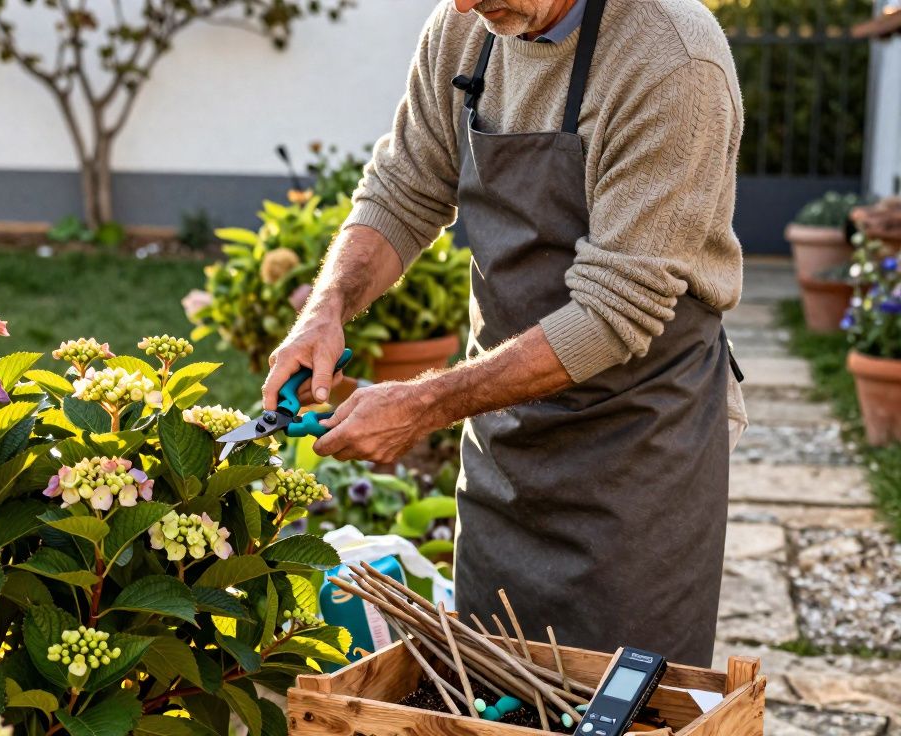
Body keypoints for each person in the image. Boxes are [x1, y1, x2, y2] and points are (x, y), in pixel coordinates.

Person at [261, 0, 747, 666]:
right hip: (505, 440)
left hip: (636, 452)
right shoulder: (467, 30)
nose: (463, 3)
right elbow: (404, 187)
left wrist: (422, 404)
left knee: (623, 702)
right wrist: (327, 308)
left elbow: (615, 311)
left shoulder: (672, 58)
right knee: (492, 687)